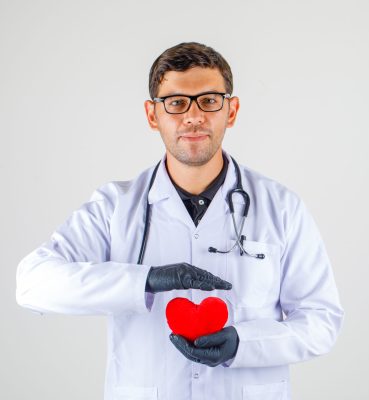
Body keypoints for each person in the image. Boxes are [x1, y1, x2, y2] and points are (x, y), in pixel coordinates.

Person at [16, 42, 345, 400]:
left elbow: (321, 321)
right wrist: (147, 279)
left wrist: (244, 343)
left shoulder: (281, 207)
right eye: (176, 103)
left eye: (208, 100)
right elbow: (33, 284)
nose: (193, 116)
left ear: (231, 111)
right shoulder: (114, 207)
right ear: (152, 115)